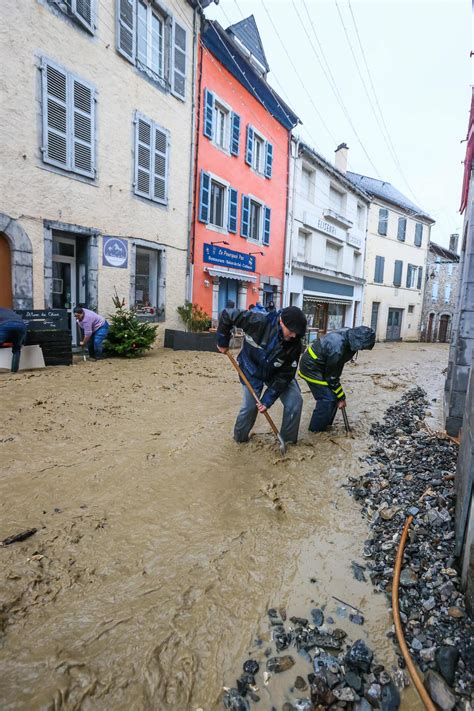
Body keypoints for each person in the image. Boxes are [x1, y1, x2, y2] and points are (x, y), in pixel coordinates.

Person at [217, 306, 307, 444]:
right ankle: (239, 442)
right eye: (292, 331)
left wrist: (267, 401)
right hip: (251, 370)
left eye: (297, 333)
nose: (294, 336)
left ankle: (287, 442)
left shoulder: (295, 344)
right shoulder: (258, 321)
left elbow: (285, 376)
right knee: (249, 407)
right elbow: (227, 314)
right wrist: (223, 341)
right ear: (282, 321)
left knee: (295, 402)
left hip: (276, 374)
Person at [299, 326, 375, 432]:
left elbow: (336, 370)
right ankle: (315, 432)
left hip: (322, 366)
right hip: (311, 368)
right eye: (362, 347)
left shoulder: (348, 337)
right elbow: (331, 378)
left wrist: (339, 397)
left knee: (333, 396)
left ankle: (326, 425)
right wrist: (342, 397)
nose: (361, 349)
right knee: (327, 399)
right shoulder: (337, 347)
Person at [0, 308, 27, 373]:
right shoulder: (9, 311)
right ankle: (14, 371)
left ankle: (7, 344)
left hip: (6, 325)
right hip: (21, 326)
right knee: (17, 349)